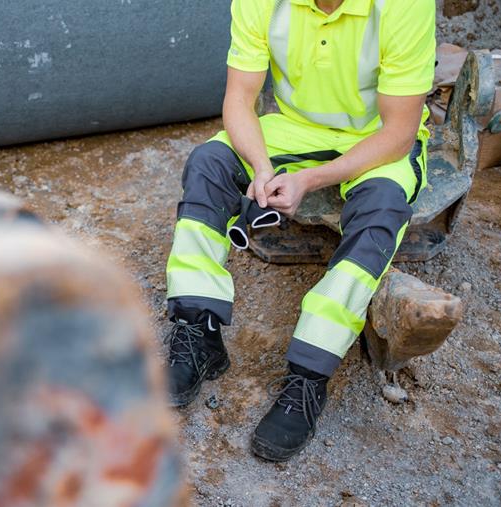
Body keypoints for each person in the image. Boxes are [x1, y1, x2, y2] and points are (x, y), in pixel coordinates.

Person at [163, 0, 436, 461]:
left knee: (381, 208)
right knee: (209, 163)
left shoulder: (405, 5)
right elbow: (239, 99)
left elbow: (400, 133)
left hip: (375, 141)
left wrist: (310, 180)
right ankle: (197, 331)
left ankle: (308, 377)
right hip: (293, 129)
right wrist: (262, 167)